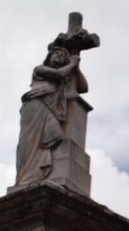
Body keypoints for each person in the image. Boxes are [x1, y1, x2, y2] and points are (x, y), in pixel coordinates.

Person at [15, 46, 85, 185]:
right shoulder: (40, 69)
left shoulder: (63, 77)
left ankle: (38, 172)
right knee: (29, 142)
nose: (59, 56)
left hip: (48, 110)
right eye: (56, 54)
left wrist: (75, 67)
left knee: (55, 134)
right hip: (35, 105)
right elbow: (60, 74)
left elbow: (84, 88)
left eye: (63, 56)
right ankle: (24, 177)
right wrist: (72, 63)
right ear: (49, 57)